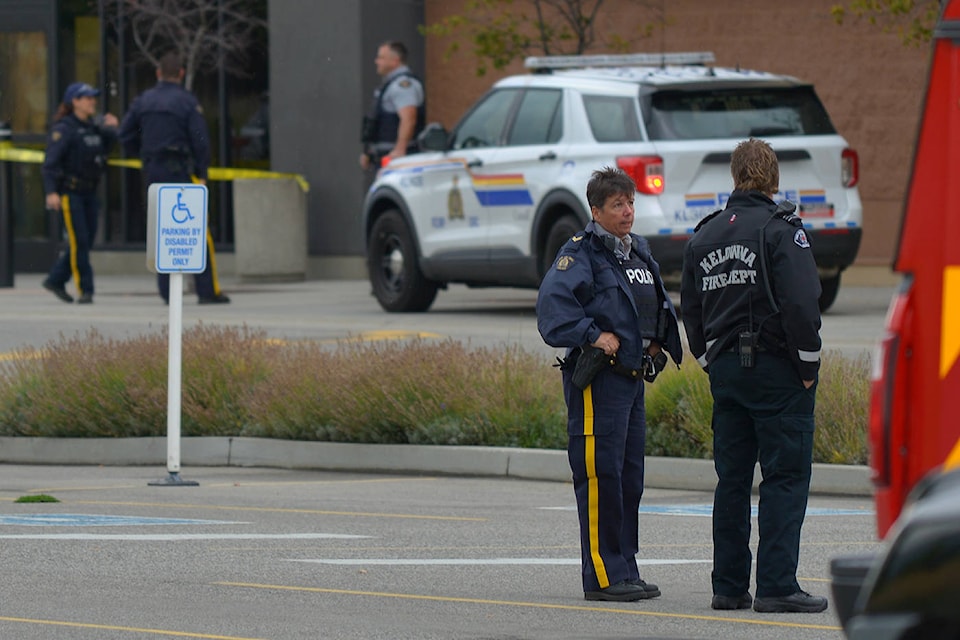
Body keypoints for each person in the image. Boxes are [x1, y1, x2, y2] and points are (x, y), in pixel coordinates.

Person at [679, 138, 827, 614]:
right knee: (784, 478)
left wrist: (709, 363)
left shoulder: (704, 235)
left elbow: (692, 312)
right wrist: (808, 366)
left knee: (733, 480)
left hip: (727, 374)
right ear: (773, 177)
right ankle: (777, 585)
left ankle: (728, 587)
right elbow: (803, 304)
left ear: (734, 175)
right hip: (778, 372)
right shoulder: (783, 230)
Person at [537, 166, 682, 602]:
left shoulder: (636, 253)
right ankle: (602, 575)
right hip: (599, 385)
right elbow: (552, 308)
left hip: (631, 383)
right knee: (601, 478)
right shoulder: (580, 254)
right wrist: (593, 335)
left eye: (631, 202)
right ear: (596, 211)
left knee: (628, 479)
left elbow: (656, 303)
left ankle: (625, 568)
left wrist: (658, 344)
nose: (627, 212)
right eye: (618, 205)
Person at [118, 51, 230, 304]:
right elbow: (201, 140)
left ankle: (167, 292)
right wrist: (202, 172)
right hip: (181, 172)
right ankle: (207, 291)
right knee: (196, 229)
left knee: (161, 230)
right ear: (181, 73)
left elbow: (124, 134)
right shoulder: (186, 102)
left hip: (154, 172)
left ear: (158, 73)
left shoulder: (143, 101)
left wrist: (143, 156)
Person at [41, 82, 118, 304]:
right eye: (87, 98)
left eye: (93, 97)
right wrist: (51, 192)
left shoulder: (94, 126)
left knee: (85, 241)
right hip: (70, 193)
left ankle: (55, 279)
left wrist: (112, 129)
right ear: (74, 101)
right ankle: (86, 289)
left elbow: (107, 147)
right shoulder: (64, 129)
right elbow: (50, 164)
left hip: (90, 193)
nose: (92, 101)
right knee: (79, 241)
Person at [359, 40, 425, 171]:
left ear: (395, 61)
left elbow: (409, 119)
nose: (376, 61)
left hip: (397, 160)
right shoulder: (390, 84)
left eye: (381, 58)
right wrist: (368, 152)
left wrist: (400, 150)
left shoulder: (403, 86)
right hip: (385, 157)